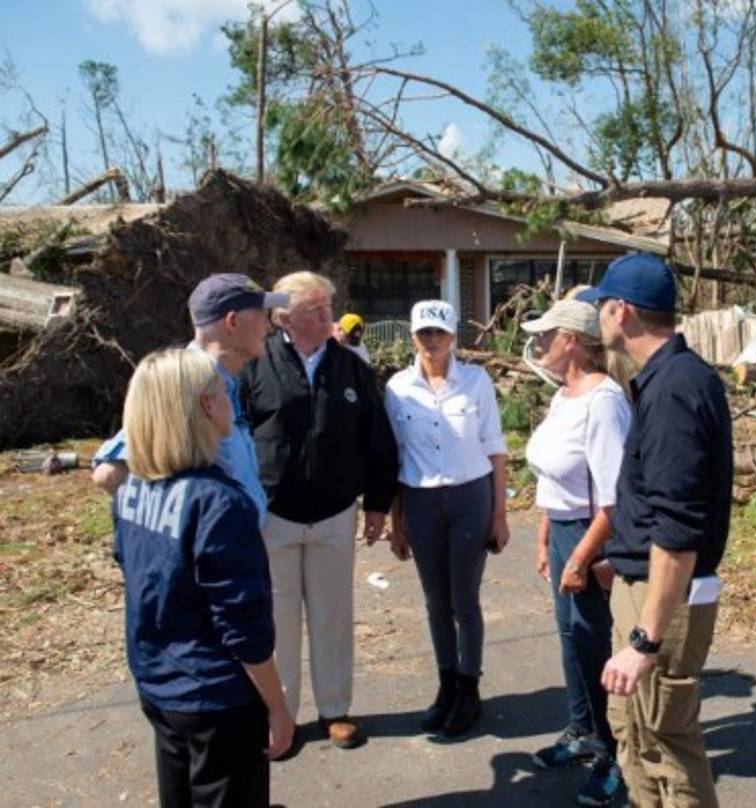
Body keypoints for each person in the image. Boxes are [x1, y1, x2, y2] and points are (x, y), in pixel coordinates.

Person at [579, 253, 733, 807]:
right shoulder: (663, 378)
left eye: (600, 307)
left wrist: (646, 639)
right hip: (642, 583)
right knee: (635, 731)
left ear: (621, 312)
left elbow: (678, 528)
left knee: (667, 740)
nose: (597, 318)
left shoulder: (673, 390)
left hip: (663, 597)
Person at [112, 348, 293, 807]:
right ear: (206, 407)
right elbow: (244, 629)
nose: (232, 398)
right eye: (223, 390)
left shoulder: (131, 487)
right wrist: (277, 705)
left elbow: (131, 568)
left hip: (158, 683)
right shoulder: (219, 503)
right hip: (217, 698)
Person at [239, 271, 399, 751]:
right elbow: (236, 438)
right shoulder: (255, 364)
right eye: (317, 309)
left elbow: (377, 438)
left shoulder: (350, 367)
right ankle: (279, 717)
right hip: (273, 515)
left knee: (332, 615)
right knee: (278, 620)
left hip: (333, 513)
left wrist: (376, 503)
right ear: (284, 316)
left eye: (330, 306)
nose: (329, 316)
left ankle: (336, 710)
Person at [383, 299, 510, 738]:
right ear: (413, 336)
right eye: (424, 334)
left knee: (464, 598)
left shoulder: (475, 382)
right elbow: (395, 458)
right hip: (420, 501)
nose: (432, 342)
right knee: (435, 601)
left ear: (454, 336)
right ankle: (446, 684)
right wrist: (398, 523)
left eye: (440, 333)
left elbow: (495, 449)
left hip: (470, 497)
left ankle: (469, 688)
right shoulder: (397, 388)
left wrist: (499, 514)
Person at [522, 298, 631, 806]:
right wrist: (546, 536)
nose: (538, 343)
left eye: (546, 334)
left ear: (571, 341)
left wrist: (582, 557)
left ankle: (614, 753)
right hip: (564, 529)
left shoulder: (604, 401)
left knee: (592, 643)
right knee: (570, 639)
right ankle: (581, 729)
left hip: (592, 535)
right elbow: (555, 474)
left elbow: (613, 498)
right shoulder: (565, 395)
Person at [91, 273, 285, 527]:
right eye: (263, 316)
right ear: (232, 321)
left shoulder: (225, 381)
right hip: (208, 561)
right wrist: (190, 534)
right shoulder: (184, 384)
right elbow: (109, 475)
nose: (270, 327)